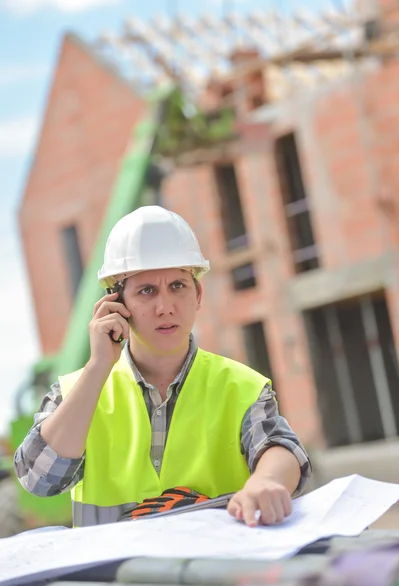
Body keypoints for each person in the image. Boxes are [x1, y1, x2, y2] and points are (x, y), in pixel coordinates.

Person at [14, 206, 311, 529]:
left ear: (197, 294)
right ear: (117, 304)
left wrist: (266, 481)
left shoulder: (241, 386)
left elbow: (281, 448)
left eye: (178, 286)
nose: (165, 307)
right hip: (116, 576)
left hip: (217, 571)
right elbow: (38, 479)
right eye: (147, 291)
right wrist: (99, 366)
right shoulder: (77, 392)